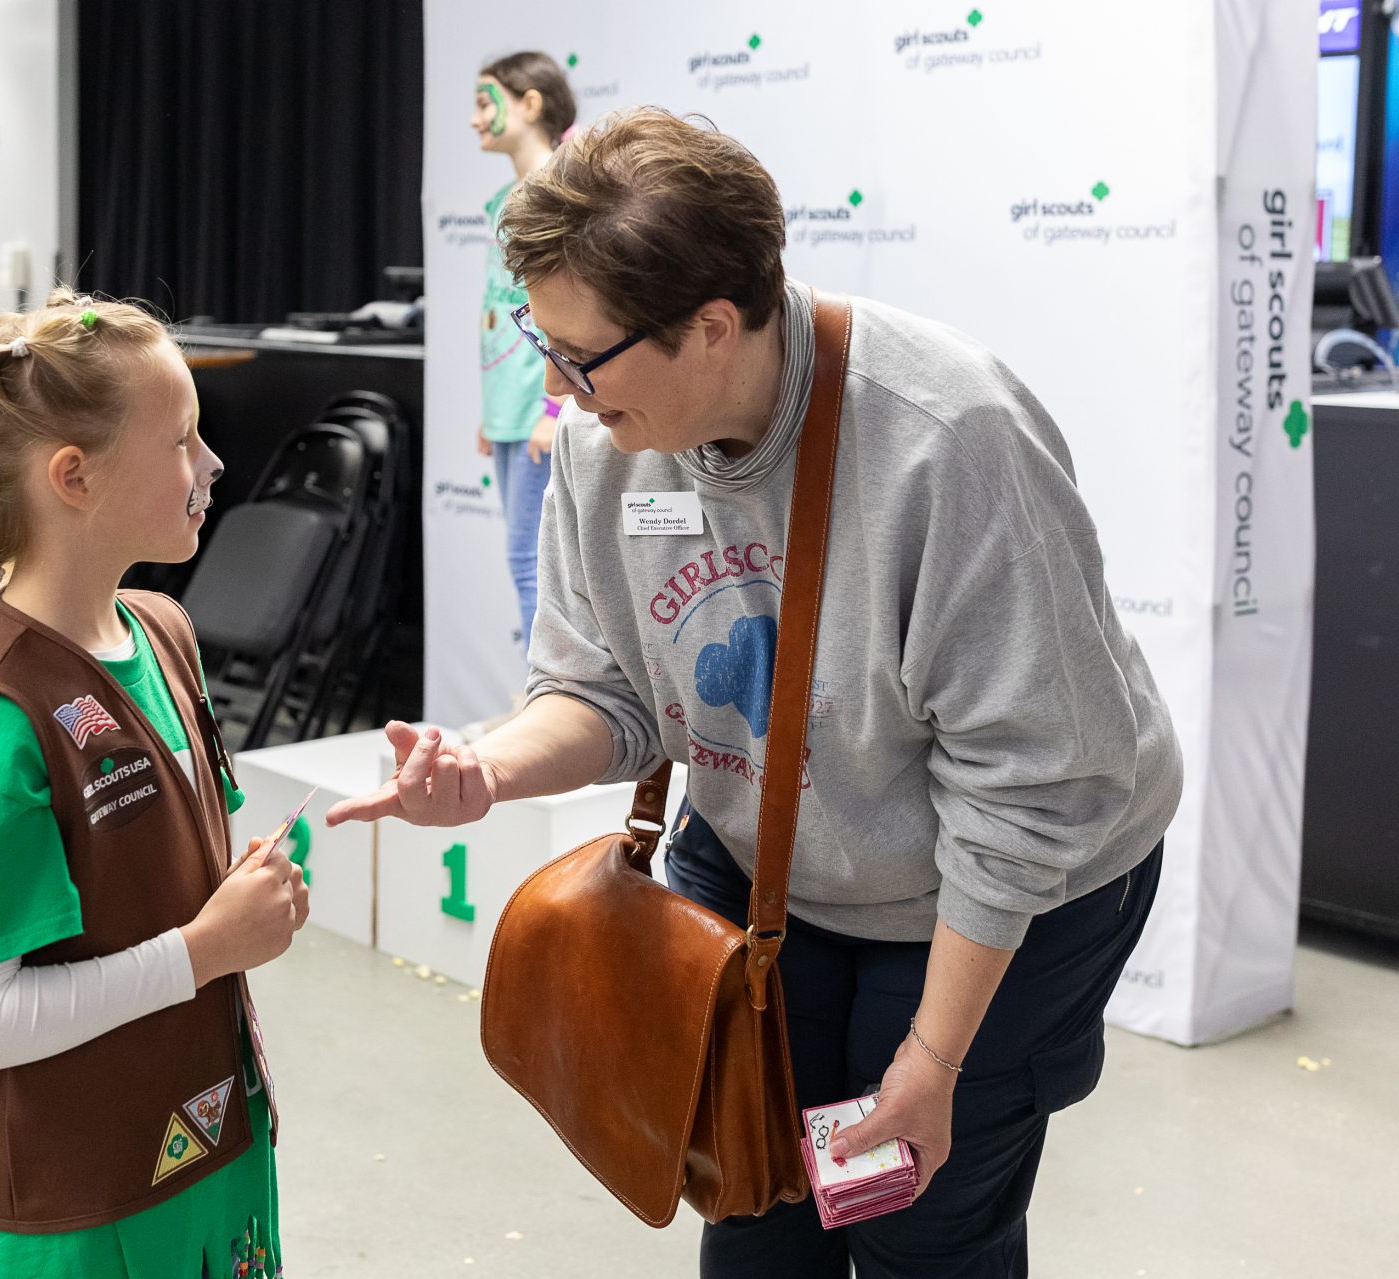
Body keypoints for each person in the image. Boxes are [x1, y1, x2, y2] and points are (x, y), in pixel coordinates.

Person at [329, 108, 1183, 1279]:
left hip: (1005, 884)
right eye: (542, 337)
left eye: (580, 356)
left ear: (715, 328)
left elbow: (1031, 794)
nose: (555, 386)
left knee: (915, 1219)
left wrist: (933, 1065)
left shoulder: (947, 440)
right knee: (750, 1202)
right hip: (772, 859)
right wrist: (489, 768)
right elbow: (606, 688)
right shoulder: (605, 435)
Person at [0, 292, 307, 1279]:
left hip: (209, 1147)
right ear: (73, 477)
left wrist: (233, 889)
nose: (210, 468)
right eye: (182, 442)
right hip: (83, 1208)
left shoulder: (160, 630)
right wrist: (205, 948)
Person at [471, 51, 575, 653]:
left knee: (534, 560)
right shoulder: (503, 200)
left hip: (542, 407)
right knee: (524, 558)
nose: (474, 118)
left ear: (530, 103)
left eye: (486, 103)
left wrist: (554, 410)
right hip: (511, 409)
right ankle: (537, 692)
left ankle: (545, 695)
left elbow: (568, 313)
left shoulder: (557, 194)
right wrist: (494, 414)